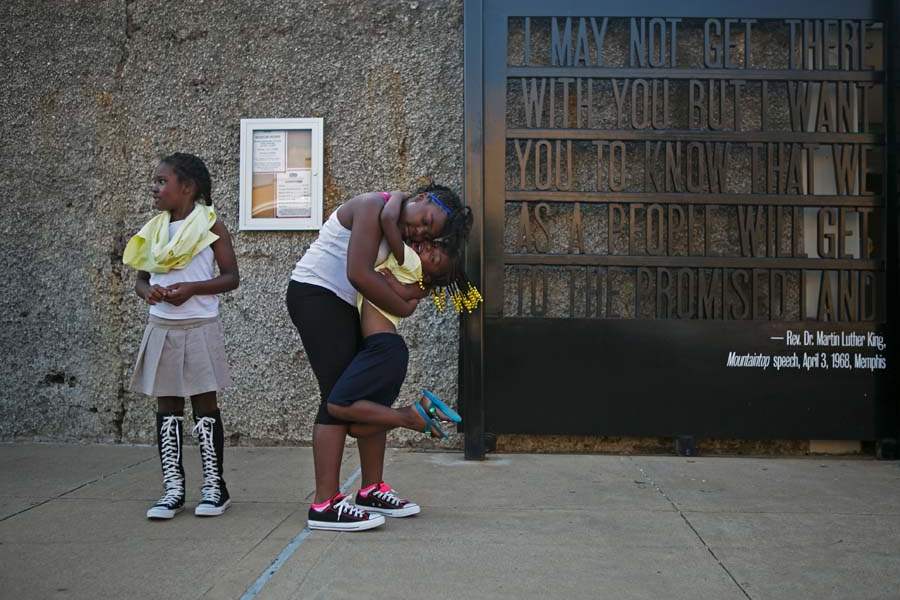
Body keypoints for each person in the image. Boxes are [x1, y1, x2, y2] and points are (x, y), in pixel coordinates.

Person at [286, 184, 472, 531]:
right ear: (420, 199)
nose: (420, 231)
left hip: (343, 303)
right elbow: (358, 273)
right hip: (317, 295)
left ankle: (371, 488)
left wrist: (408, 296)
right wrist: (402, 305)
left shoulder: (396, 227)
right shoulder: (373, 206)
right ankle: (324, 503)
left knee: (365, 393)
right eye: (424, 220)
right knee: (337, 398)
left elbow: (394, 280)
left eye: (430, 233)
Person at [312, 235, 480, 528]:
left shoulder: (410, 263)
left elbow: (391, 229)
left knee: (337, 405)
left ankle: (411, 415)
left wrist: (396, 205)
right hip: (386, 351)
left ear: (428, 274)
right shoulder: (417, 282)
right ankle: (416, 417)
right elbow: (405, 301)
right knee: (359, 423)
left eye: (435, 256)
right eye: (433, 245)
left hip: (382, 350)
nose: (428, 247)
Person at [123, 152, 239, 520]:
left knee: (205, 406)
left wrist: (193, 288)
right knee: (167, 407)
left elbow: (231, 277)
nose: (154, 188)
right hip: (163, 327)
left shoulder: (211, 226)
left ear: (186, 188)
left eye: (162, 181)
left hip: (199, 326)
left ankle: (214, 487)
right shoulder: (153, 229)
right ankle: (173, 488)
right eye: (155, 181)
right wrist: (149, 294)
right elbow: (141, 280)